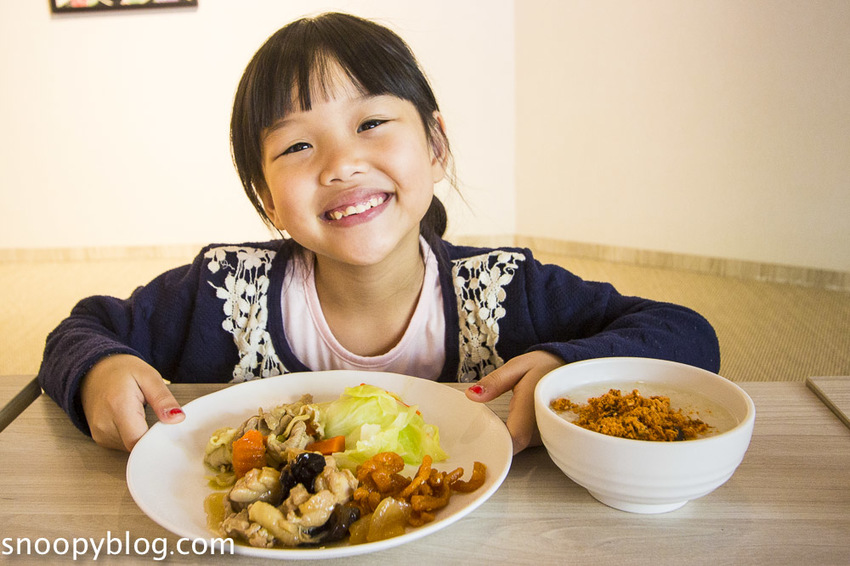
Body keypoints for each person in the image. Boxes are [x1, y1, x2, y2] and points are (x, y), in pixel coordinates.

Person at [37, 12, 720, 454]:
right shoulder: (224, 290)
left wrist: (566, 365)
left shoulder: (508, 290)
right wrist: (98, 368)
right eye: (298, 147)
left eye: (370, 124)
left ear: (435, 145)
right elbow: (79, 331)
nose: (341, 165)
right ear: (265, 198)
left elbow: (686, 334)